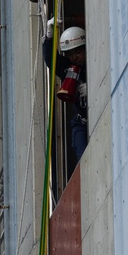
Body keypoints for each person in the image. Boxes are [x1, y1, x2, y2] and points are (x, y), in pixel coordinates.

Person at [43, 21, 87, 164]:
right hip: (82, 122)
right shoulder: (69, 68)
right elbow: (52, 60)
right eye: (70, 54)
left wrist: (93, 89)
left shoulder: (96, 62)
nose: (74, 57)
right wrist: (49, 37)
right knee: (84, 161)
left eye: (78, 52)